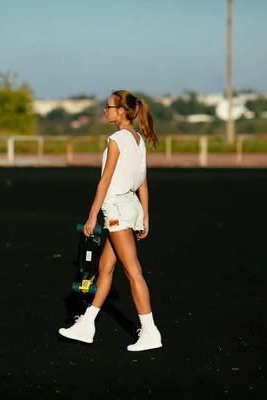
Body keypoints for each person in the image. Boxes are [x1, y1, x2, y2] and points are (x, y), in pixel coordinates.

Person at [59, 90, 162, 352]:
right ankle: (86, 324)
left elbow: (105, 180)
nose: (105, 110)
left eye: (108, 107)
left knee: (132, 271)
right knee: (104, 268)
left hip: (116, 208)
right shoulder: (137, 139)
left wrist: (92, 215)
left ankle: (150, 332)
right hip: (130, 206)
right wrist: (145, 216)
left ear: (120, 111)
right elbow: (144, 184)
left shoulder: (116, 139)